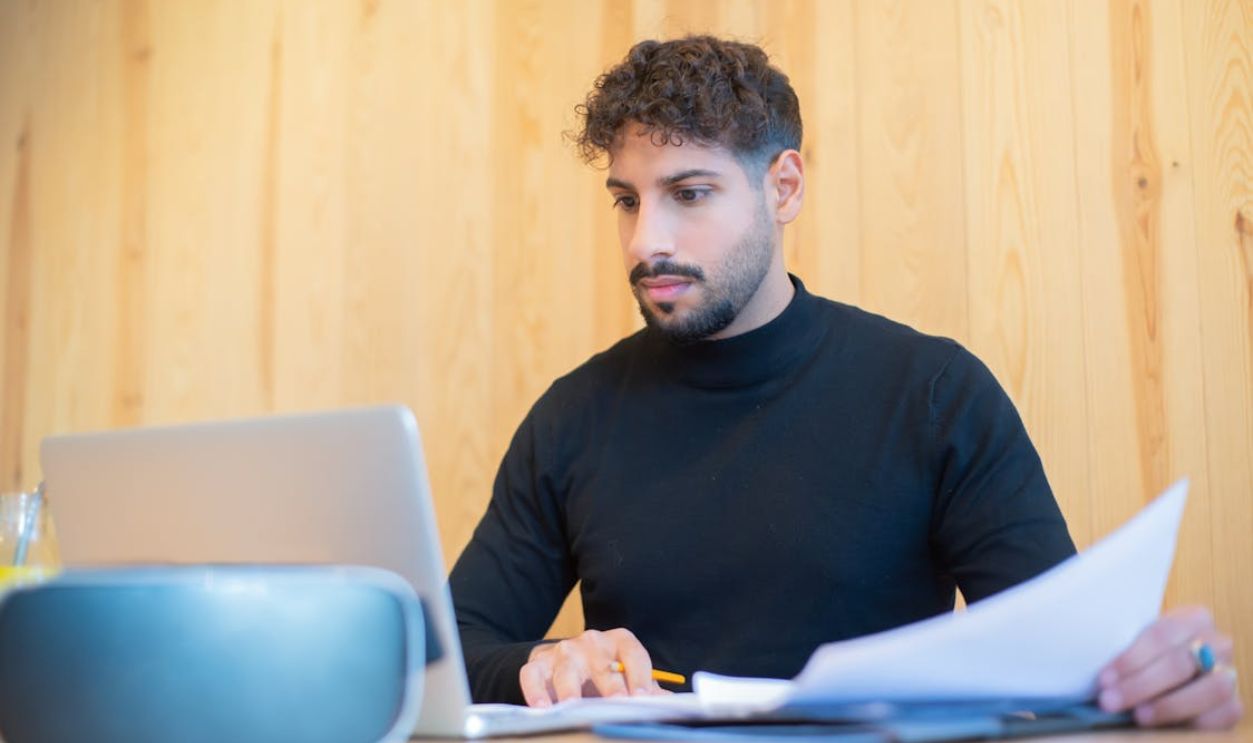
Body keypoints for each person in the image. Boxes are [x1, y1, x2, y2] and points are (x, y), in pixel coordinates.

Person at [448, 35, 1242, 729]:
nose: (644, 240)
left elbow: (1069, 670)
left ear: (783, 186)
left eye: (688, 194)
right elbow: (448, 652)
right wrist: (541, 662)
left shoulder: (933, 393)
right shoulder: (574, 415)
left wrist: (1161, 680)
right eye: (627, 201)